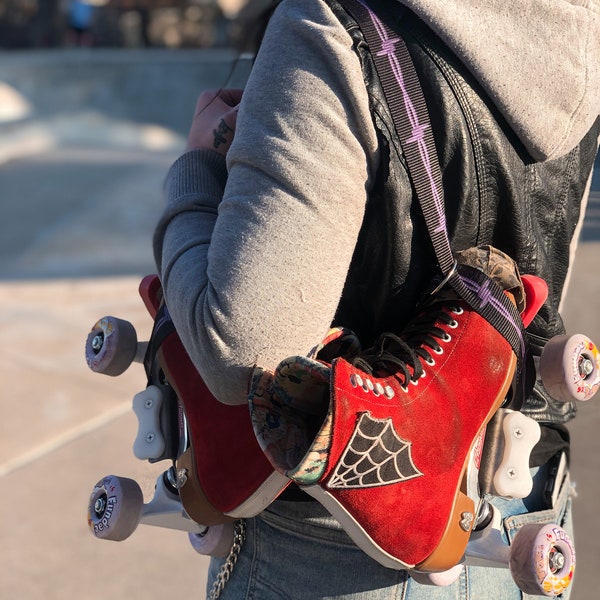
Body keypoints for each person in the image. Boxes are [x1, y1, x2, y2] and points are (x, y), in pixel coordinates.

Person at [153, 0, 600, 597]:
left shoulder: (330, 23)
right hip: (526, 518)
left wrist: (196, 173)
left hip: (334, 547)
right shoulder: (570, 21)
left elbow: (243, 349)